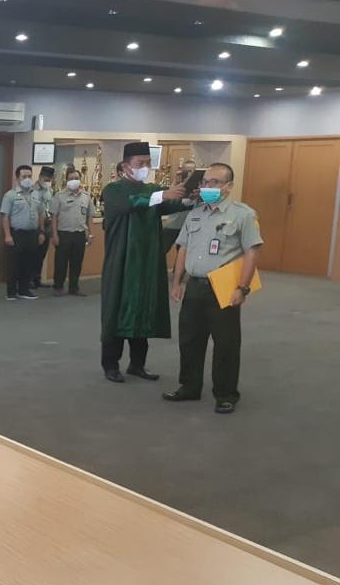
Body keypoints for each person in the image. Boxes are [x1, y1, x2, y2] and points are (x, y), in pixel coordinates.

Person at [164, 163, 262, 414]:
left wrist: (242, 288)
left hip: (223, 287)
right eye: (205, 182)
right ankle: (189, 386)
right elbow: (183, 249)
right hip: (194, 286)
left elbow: (252, 253)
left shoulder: (243, 214)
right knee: (189, 340)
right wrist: (177, 282)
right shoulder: (195, 214)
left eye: (215, 182)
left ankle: (226, 394)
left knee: (226, 343)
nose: (208, 187)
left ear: (229, 186)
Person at [99, 141, 188, 383]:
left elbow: (172, 204)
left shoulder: (153, 189)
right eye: (140, 163)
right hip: (121, 261)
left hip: (147, 262)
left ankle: (137, 364)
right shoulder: (113, 190)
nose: (145, 167)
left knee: (143, 310)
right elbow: (129, 204)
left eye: (148, 163)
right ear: (125, 165)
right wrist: (162, 195)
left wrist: (189, 197)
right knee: (116, 311)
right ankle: (110, 365)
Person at [0, 165, 45, 301]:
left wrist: (41, 232)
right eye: (24, 176)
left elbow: (41, 214)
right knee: (14, 264)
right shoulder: (10, 195)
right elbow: (5, 216)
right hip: (17, 233)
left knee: (28, 263)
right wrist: (7, 235)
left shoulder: (36, 194)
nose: (27, 179)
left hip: (32, 233)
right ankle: (11, 292)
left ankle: (24, 290)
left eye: (29, 176)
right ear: (17, 178)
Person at [50, 168, 95, 296]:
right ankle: (58, 286)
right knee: (61, 262)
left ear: (80, 180)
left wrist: (90, 233)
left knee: (77, 262)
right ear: (66, 180)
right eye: (71, 178)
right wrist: (54, 234)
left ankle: (74, 287)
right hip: (64, 233)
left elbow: (89, 217)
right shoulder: (59, 196)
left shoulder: (86, 196)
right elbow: (54, 217)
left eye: (76, 178)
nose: (74, 180)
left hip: (79, 234)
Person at [163, 160, 197, 257]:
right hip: (173, 223)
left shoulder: (198, 186)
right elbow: (169, 199)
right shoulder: (177, 184)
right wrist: (175, 182)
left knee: (182, 252)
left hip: (189, 225)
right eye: (187, 170)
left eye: (192, 170)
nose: (189, 173)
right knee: (162, 249)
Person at [30, 165, 55, 289]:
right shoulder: (32, 190)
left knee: (41, 254)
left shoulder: (49, 190)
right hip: (35, 225)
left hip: (47, 224)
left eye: (49, 179)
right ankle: (29, 279)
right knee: (33, 254)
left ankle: (37, 279)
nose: (47, 181)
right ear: (40, 177)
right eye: (46, 179)